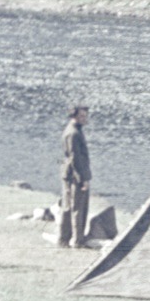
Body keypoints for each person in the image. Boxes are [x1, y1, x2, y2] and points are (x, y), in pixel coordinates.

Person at [56, 106, 92, 248]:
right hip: (75, 175)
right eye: (82, 116)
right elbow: (76, 158)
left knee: (69, 206)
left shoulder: (74, 131)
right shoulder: (73, 133)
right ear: (74, 116)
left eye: (85, 116)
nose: (85, 118)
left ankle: (64, 239)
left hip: (70, 173)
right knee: (78, 207)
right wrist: (83, 179)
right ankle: (77, 240)